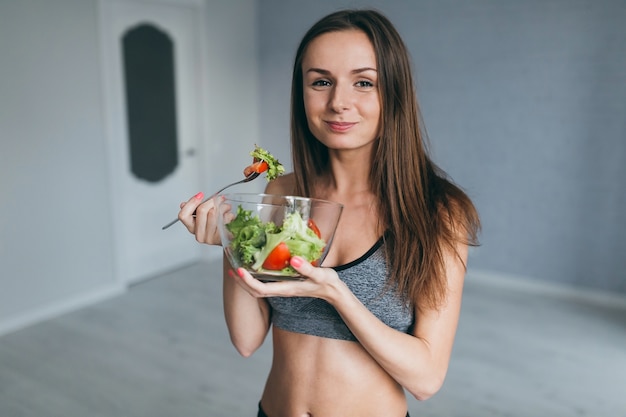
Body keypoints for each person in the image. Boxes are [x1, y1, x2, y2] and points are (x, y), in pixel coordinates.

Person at [177, 8, 480, 417]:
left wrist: (336, 293)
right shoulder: (283, 193)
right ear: (302, 93)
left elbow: (426, 380)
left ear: (394, 92)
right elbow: (246, 340)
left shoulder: (438, 211)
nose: (339, 102)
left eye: (363, 82)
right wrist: (231, 241)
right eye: (321, 82)